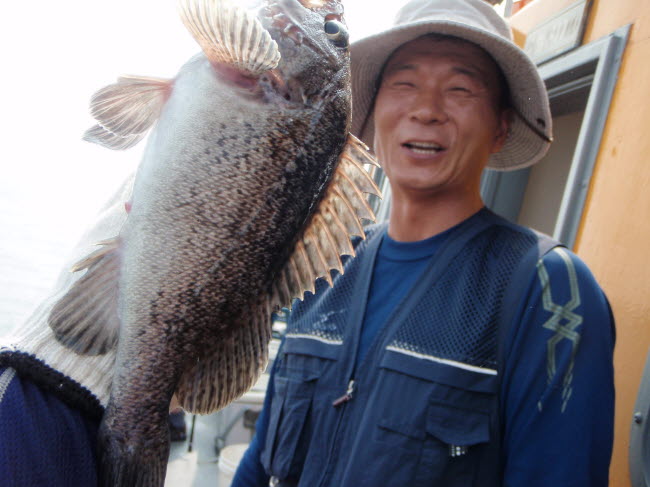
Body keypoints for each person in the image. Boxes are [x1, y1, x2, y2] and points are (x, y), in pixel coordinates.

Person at [231, 0, 615, 486]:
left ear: (500, 127)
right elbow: (262, 458)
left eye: (460, 89)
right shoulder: (327, 264)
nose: (426, 110)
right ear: (375, 108)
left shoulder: (550, 288)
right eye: (404, 84)